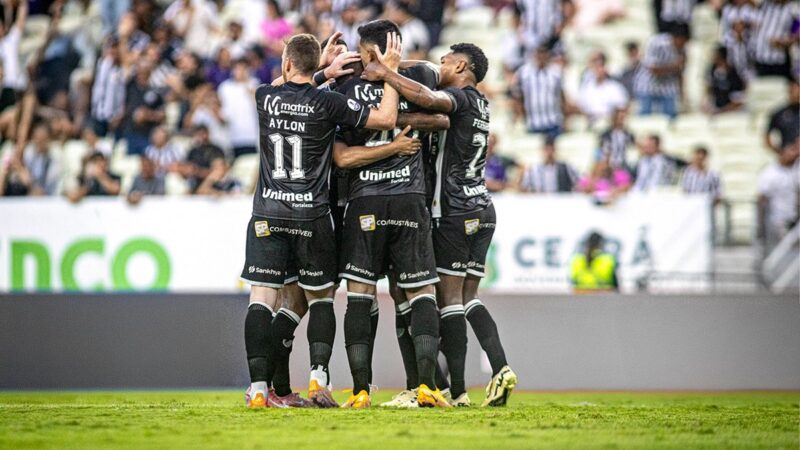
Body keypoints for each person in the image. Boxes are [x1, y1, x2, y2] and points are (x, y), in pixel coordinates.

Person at [239, 32, 400, 409]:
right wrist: (390, 72)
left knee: (262, 298)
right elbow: (387, 117)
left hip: (268, 213)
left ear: (288, 62)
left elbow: (286, 83)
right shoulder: (330, 103)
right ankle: (317, 379)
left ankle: (260, 390)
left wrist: (321, 69)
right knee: (321, 298)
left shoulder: (265, 96)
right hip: (312, 216)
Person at [363, 40, 519, 407]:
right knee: (468, 298)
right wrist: (395, 62)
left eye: (446, 61)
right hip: (482, 208)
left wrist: (385, 72)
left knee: (448, 301)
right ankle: (499, 368)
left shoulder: (461, 98)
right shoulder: (482, 105)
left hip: (453, 211)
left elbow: (433, 101)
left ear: (463, 68)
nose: (439, 65)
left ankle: (459, 391)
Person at [333, 20, 448, 409]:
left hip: (365, 200)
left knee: (360, 295)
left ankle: (361, 392)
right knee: (421, 291)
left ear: (368, 52)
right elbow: (441, 116)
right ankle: (429, 387)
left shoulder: (345, 87)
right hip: (410, 197)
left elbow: (343, 158)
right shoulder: (417, 76)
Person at [633, 24, 689, 118]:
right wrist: (674, 66)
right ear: (676, 38)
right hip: (648, 85)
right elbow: (652, 69)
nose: (682, 45)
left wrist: (682, 94)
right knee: (645, 118)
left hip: (667, 88)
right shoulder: (656, 43)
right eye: (682, 42)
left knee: (671, 118)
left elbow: (680, 72)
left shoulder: (682, 49)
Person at [513, 45, 565, 138]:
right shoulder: (524, 72)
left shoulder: (556, 72)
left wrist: (564, 117)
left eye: (543, 53)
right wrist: (521, 115)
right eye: (539, 53)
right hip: (533, 123)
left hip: (553, 122)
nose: (541, 56)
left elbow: (561, 96)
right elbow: (517, 96)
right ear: (534, 54)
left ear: (548, 55)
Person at [757, 141, 799, 252]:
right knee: (781, 251)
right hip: (777, 220)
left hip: (794, 218)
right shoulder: (770, 173)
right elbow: (762, 198)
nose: (795, 154)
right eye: (792, 151)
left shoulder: (795, 171)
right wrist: (761, 224)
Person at [218, 59, 259, 158]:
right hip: (232, 136)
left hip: (251, 136)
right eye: (237, 69)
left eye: (242, 69)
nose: (239, 72)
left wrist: (246, 83)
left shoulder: (254, 83)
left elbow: (259, 105)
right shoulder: (224, 87)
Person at [577, 51, 629, 124]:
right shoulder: (586, 88)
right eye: (596, 67)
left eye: (601, 66)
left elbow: (622, 107)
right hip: (591, 121)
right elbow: (582, 107)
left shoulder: (615, 87)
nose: (598, 70)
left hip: (609, 122)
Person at [751, 0, 797, 79]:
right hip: (760, 58)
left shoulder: (792, 9)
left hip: (777, 60)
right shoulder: (766, 5)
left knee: (778, 88)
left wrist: (783, 42)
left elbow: (797, 34)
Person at [706, 46, 746, 115]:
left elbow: (738, 103)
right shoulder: (713, 71)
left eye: (714, 55)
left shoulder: (734, 76)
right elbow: (709, 92)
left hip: (731, 112)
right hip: (717, 110)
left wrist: (721, 111)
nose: (712, 57)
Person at [765, 82, 799, 155]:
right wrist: (780, 152)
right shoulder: (779, 113)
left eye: (798, 93)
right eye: (793, 92)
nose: (795, 95)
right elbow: (767, 136)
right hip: (788, 155)